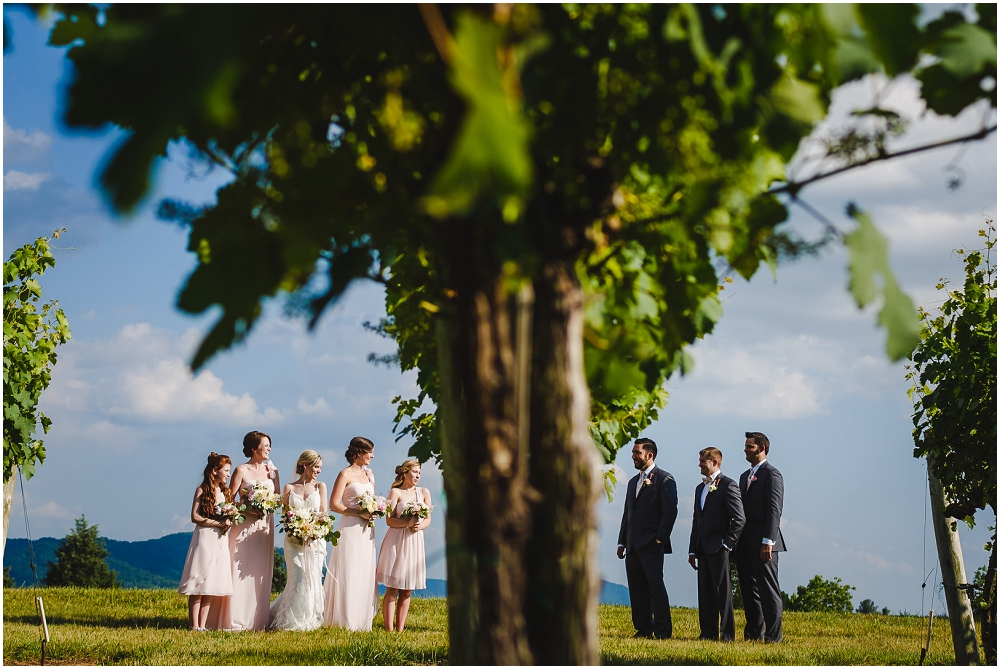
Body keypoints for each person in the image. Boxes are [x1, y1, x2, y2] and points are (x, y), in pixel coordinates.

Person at [616, 437, 678, 640]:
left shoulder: (665, 479)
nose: (633, 456)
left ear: (649, 455)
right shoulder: (633, 481)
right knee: (637, 588)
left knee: (655, 587)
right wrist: (622, 540)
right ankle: (643, 628)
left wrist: (659, 539)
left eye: (636, 453)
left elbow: (670, 512)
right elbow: (628, 513)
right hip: (633, 544)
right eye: (633, 453)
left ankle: (662, 630)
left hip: (652, 544)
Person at [687, 447, 745, 642]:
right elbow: (697, 521)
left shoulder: (728, 485)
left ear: (715, 462)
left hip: (719, 547)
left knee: (723, 593)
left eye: (703, 460)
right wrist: (692, 549)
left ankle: (727, 635)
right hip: (702, 547)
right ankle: (707, 633)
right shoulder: (699, 488)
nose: (699, 464)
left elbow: (739, 519)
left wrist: (727, 545)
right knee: (704, 592)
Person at [323, 436, 379, 631]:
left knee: (364, 571)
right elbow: (334, 504)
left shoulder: (369, 475)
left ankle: (362, 620)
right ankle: (344, 619)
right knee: (349, 570)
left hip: (367, 531)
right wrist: (359, 512)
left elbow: (372, 500)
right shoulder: (344, 474)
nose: (372, 455)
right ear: (358, 453)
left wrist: (373, 513)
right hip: (350, 528)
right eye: (369, 452)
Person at [269, 450, 329, 631]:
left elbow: (324, 513)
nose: (318, 470)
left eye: (320, 467)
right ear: (305, 465)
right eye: (316, 466)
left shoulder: (320, 487)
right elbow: (285, 517)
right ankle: (291, 620)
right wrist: (296, 528)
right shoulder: (289, 488)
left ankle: (309, 619)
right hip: (293, 541)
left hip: (315, 540)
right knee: (298, 577)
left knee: (311, 578)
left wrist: (313, 528)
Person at [735, 431, 786, 643]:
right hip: (745, 543)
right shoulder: (743, 477)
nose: (745, 450)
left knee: (768, 591)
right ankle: (754, 634)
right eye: (745, 446)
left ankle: (773, 637)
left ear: (762, 448)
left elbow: (775, 509)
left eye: (750, 447)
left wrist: (768, 541)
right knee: (748, 591)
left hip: (765, 543)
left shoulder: (772, 474)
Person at [227, 430, 280, 631]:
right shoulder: (241, 470)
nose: (268, 449)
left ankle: (258, 621)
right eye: (265, 445)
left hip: (263, 526)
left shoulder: (272, 471)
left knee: (259, 571)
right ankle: (236, 618)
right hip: (243, 526)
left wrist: (267, 505)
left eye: (269, 445)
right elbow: (230, 500)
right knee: (239, 569)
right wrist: (248, 507)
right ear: (253, 448)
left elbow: (277, 499)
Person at [178, 453, 235, 631]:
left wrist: (229, 521)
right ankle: (194, 625)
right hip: (205, 536)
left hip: (220, 538)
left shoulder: (225, 492)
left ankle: (203, 625)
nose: (228, 474)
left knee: (211, 582)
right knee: (199, 581)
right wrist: (219, 523)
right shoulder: (202, 490)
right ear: (215, 471)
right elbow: (195, 516)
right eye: (226, 470)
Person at [376, 459, 431, 632]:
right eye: (415, 472)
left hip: (414, 540)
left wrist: (419, 526)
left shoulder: (423, 492)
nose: (417, 476)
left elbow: (428, 518)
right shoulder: (395, 492)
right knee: (392, 587)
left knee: (407, 590)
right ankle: (389, 629)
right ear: (406, 472)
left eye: (419, 473)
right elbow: (389, 520)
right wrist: (406, 524)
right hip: (397, 540)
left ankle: (400, 630)